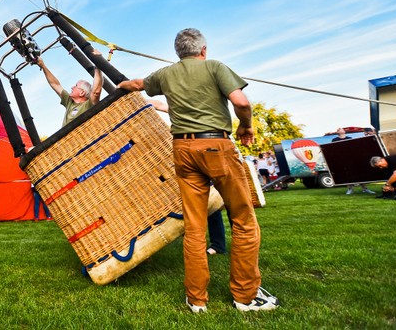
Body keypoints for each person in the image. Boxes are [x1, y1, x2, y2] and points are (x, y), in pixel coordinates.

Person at [117, 28, 278, 313]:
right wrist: (246, 126)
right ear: (203, 50)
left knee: (194, 227)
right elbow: (241, 102)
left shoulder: (166, 74)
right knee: (243, 220)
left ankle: (196, 299)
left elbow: (135, 84)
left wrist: (120, 87)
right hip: (215, 146)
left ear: (178, 52)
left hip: (182, 150)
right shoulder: (214, 66)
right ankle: (245, 296)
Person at [36, 53, 103, 127]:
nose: (72, 87)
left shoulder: (88, 105)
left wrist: (98, 65)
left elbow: (96, 91)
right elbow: (55, 84)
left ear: (82, 93)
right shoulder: (69, 101)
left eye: (76, 86)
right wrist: (43, 66)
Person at [332, 129, 375, 195]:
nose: (342, 130)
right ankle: (350, 189)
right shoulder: (334, 140)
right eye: (340, 129)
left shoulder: (350, 138)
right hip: (343, 160)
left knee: (359, 173)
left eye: (342, 129)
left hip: (352, 159)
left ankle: (365, 189)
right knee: (349, 174)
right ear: (337, 132)